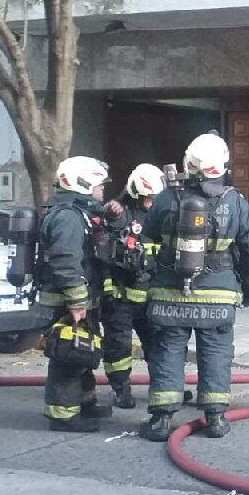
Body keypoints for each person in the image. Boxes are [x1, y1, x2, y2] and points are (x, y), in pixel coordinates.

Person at [139, 133, 249, 442]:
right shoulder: (236, 201)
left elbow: (146, 242)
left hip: (170, 292)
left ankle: (161, 420)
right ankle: (216, 418)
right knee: (217, 353)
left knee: (167, 351)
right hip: (219, 294)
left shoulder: (167, 198)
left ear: (188, 164)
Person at [37, 156, 113, 432]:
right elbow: (65, 260)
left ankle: (84, 403)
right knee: (68, 356)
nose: (102, 191)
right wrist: (77, 300)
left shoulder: (76, 212)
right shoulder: (68, 216)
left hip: (77, 298)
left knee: (83, 351)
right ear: (83, 183)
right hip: (65, 301)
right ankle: (63, 416)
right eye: (98, 185)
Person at [99, 164, 165, 409]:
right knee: (118, 346)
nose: (150, 202)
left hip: (151, 297)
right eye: (147, 198)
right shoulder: (119, 213)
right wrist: (109, 212)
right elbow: (105, 235)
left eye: (154, 198)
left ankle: (162, 388)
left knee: (158, 345)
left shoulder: (159, 216)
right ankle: (121, 390)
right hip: (121, 297)